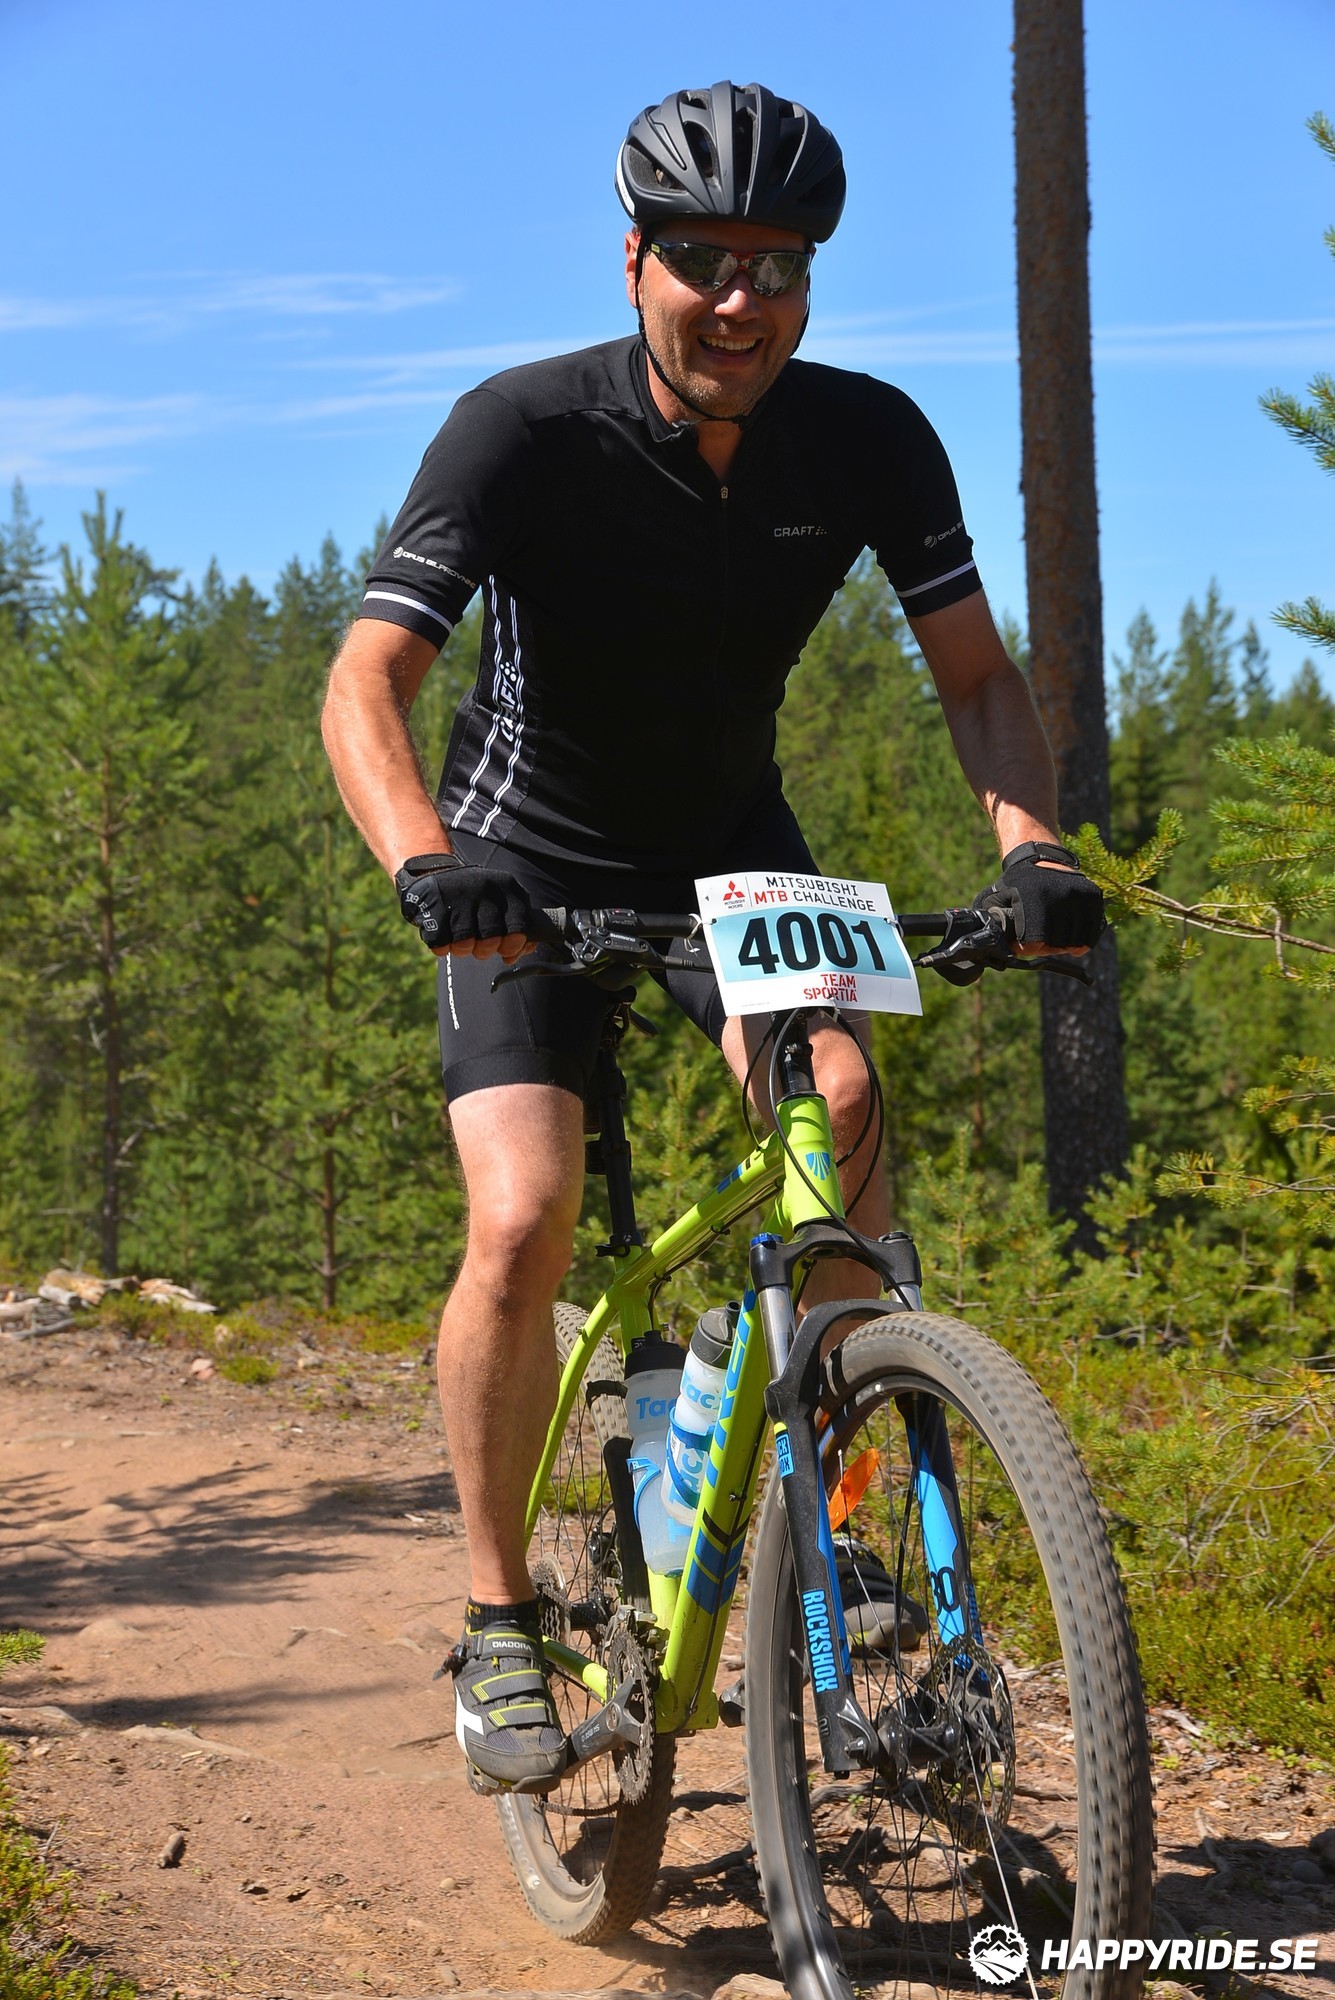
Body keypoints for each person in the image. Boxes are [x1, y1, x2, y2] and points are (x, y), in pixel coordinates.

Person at [321, 80, 1104, 1795]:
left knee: (843, 1116)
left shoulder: (871, 439)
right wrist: (429, 863)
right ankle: (499, 1616)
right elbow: (368, 680)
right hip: (521, 864)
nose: (739, 299)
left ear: (811, 280)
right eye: (702, 261)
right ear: (634, 263)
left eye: (778, 266)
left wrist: (1032, 847)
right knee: (522, 1215)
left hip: (732, 860)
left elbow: (979, 680)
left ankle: (841, 1525)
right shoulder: (522, 429)